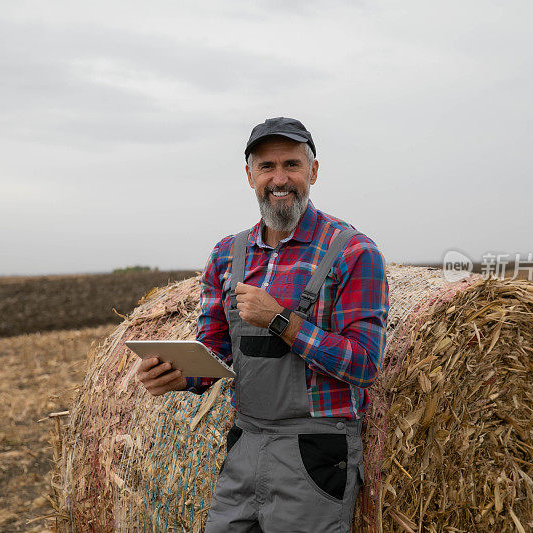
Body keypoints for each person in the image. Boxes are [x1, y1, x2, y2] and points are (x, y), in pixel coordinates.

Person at [135, 117, 389, 532]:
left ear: (314, 171)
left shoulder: (353, 252)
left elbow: (363, 365)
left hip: (315, 450)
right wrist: (177, 375)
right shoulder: (227, 254)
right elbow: (215, 348)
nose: (280, 178)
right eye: (267, 167)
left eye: (291, 164)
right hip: (245, 442)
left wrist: (280, 321)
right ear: (249, 175)